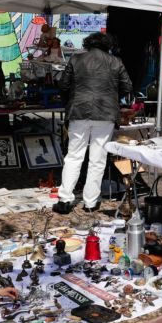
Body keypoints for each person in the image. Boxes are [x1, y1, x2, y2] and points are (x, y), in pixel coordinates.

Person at [56, 32, 133, 213]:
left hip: (79, 110)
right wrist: (112, 98)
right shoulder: (116, 61)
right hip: (105, 113)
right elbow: (127, 87)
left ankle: (65, 199)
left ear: (87, 44)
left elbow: (63, 85)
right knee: (98, 159)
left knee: (74, 156)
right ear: (107, 45)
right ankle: (90, 202)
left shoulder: (76, 59)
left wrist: (72, 100)